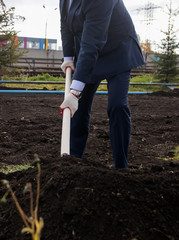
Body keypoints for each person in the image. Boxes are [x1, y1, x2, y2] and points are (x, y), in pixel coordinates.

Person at [59, 0, 145, 168]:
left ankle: (121, 166)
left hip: (117, 51)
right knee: (79, 109)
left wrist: (74, 92)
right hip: (88, 51)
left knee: (117, 106)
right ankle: (73, 163)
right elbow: (65, 24)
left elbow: (93, 41)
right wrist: (68, 57)